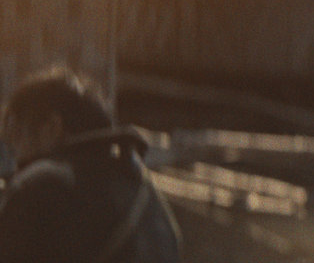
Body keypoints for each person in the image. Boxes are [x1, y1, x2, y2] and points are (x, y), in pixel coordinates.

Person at [0, 70, 181, 263]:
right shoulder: (147, 195)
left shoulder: (39, 186)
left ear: (52, 128)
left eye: (16, 137)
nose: (15, 157)